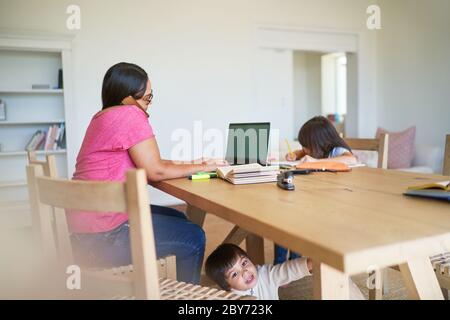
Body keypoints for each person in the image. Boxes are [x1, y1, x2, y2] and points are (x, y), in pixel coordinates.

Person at [68, 62, 226, 284]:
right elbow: (155, 171)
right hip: (103, 237)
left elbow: (151, 162)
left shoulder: (101, 117)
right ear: (127, 97)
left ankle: (165, 281)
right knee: (193, 236)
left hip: (83, 230)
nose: (148, 104)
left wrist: (192, 163)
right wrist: (203, 167)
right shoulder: (130, 114)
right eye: (146, 98)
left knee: (180, 218)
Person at [275, 116, 358, 264]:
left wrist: (317, 162)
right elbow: (303, 153)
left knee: (292, 216)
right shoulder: (315, 150)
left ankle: (293, 262)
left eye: (306, 146)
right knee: (285, 213)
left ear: (321, 143)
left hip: (334, 204)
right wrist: (296, 154)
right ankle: (284, 263)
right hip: (315, 197)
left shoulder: (336, 151)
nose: (304, 150)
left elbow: (352, 160)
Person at [205, 243, 364, 300]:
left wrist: (309, 264)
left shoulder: (265, 275)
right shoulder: (223, 296)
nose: (245, 271)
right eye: (234, 274)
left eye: (244, 262)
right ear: (226, 286)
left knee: (333, 272)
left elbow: (286, 271)